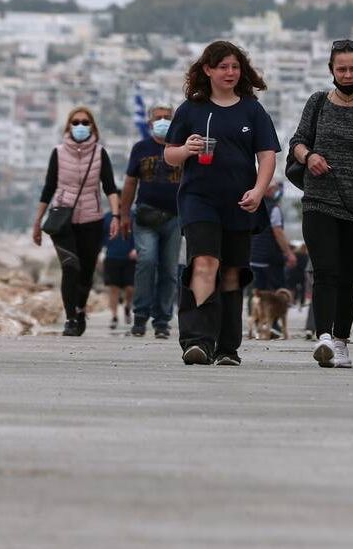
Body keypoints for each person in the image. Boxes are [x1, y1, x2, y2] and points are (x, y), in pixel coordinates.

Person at [164, 41, 279, 366]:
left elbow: (267, 155)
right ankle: (197, 340)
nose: (230, 73)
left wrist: (258, 190)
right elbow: (169, 155)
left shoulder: (252, 110)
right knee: (204, 263)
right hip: (199, 200)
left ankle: (227, 347)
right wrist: (186, 149)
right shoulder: (191, 109)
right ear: (208, 70)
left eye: (235, 67)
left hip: (240, 201)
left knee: (231, 272)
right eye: (223, 66)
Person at [288, 38, 353, 369]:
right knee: (325, 270)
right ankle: (322, 338)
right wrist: (310, 157)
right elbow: (296, 142)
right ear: (331, 70)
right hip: (320, 199)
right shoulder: (318, 102)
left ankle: (340, 339)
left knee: (349, 274)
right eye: (341, 69)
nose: (347, 74)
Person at [33, 106, 120, 336]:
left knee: (87, 271)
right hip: (63, 219)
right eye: (76, 122)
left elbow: (110, 187)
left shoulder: (99, 153)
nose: (80, 126)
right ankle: (70, 318)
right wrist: (37, 221)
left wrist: (116, 216)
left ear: (92, 126)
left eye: (85, 122)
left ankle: (81, 309)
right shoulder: (58, 153)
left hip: (92, 219)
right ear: (68, 126)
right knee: (70, 267)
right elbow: (48, 188)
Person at [121, 103, 183, 339]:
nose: (163, 121)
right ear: (149, 123)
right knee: (146, 261)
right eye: (158, 118)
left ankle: (162, 321)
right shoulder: (140, 148)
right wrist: (124, 214)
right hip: (146, 215)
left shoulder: (182, 147)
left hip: (175, 217)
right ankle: (140, 317)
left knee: (169, 270)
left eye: (168, 117)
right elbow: (129, 183)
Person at [249, 181, 297, 293]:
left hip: (253, 257)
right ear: (268, 190)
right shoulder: (274, 209)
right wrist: (289, 253)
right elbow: (278, 232)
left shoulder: (254, 206)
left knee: (258, 292)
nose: (277, 192)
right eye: (275, 189)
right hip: (270, 259)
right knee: (274, 294)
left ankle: (256, 310)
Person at [102, 197, 136, 331]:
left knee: (130, 289)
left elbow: (139, 235)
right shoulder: (107, 217)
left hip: (130, 258)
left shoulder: (133, 216)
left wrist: (136, 248)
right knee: (113, 288)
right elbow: (102, 236)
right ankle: (114, 316)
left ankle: (128, 306)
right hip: (112, 257)